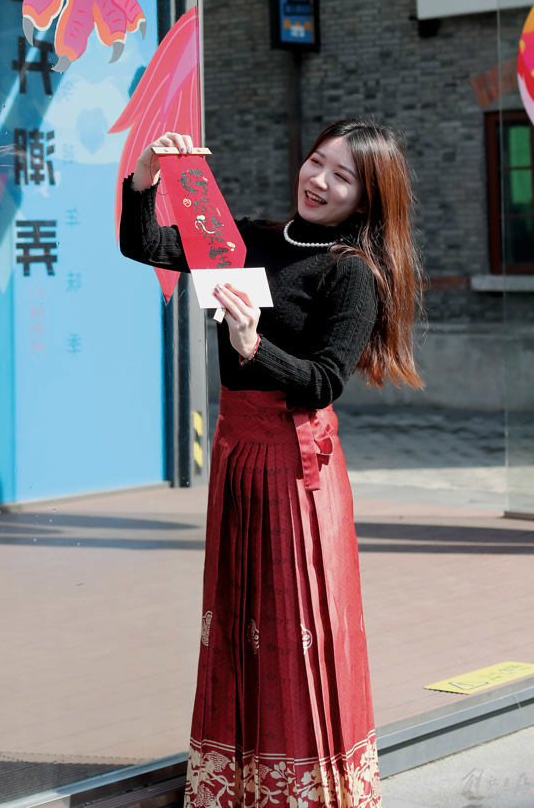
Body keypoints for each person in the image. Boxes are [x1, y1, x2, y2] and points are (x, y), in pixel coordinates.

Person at [119, 119, 423, 808]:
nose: (319, 181)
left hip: (295, 467)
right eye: (317, 162)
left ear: (368, 197)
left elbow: (323, 382)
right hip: (236, 454)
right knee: (236, 621)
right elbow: (146, 244)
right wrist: (147, 178)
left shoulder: (352, 272)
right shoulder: (247, 239)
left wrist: (254, 346)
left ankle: (308, 788)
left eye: (342, 176)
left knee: (295, 629)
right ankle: (238, 781)